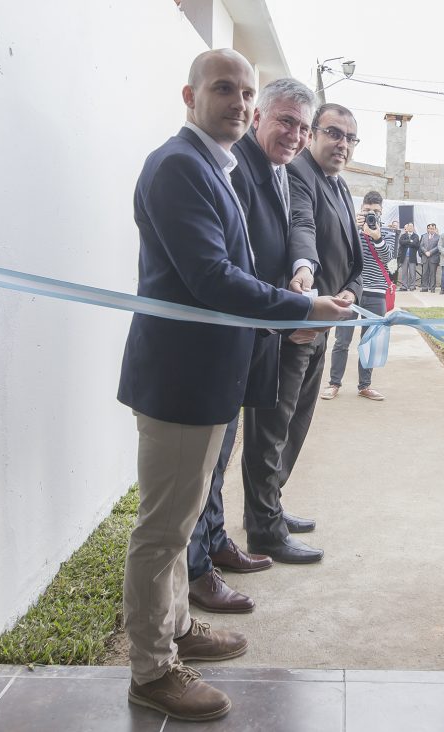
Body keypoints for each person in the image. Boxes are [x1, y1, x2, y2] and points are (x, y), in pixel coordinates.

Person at [117, 50, 351, 721]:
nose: (240, 103)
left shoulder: (210, 166)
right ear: (189, 93)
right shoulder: (178, 167)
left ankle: (178, 626)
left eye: (247, 92)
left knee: (184, 517)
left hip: (207, 374)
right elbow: (213, 280)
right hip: (181, 379)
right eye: (226, 89)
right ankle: (152, 670)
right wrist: (304, 307)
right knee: (163, 530)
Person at [186, 77, 320, 615]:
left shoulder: (283, 171)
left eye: (302, 127)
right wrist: (293, 310)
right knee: (206, 463)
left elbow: (294, 232)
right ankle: (197, 568)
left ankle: (216, 542)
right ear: (260, 116)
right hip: (228, 336)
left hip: (254, 331)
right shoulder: (230, 166)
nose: (294, 134)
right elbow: (223, 267)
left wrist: (302, 272)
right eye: (285, 121)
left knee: (224, 452)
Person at [241, 102, 363, 564]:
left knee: (296, 425)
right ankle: (263, 528)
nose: (342, 145)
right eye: (333, 133)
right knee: (270, 431)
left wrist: (351, 291)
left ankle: (269, 507)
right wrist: (306, 276)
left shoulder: (341, 185)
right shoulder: (298, 174)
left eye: (351, 138)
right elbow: (303, 231)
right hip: (295, 325)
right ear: (313, 136)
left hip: (324, 323)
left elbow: (353, 255)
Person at [320, 190, 396, 401]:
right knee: (342, 340)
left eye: (376, 211)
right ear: (361, 210)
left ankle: (365, 385)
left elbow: (390, 260)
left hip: (377, 294)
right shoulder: (350, 229)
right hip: (351, 292)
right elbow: (341, 254)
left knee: (370, 341)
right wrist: (353, 227)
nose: (372, 214)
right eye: (367, 210)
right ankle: (334, 383)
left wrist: (377, 236)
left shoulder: (388, 233)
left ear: (382, 212)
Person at [397, 223, 421, 291]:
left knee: (412, 272)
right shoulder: (403, 235)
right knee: (404, 272)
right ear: (407, 228)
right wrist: (410, 241)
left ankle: (412, 286)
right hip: (404, 257)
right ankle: (404, 286)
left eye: (411, 226)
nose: (410, 228)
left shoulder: (416, 236)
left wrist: (407, 243)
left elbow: (415, 244)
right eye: (409, 226)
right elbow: (401, 242)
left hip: (412, 257)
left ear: (413, 228)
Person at [419, 223, 441, 292]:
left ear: (435, 229)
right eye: (430, 228)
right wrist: (425, 252)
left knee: (432, 274)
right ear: (428, 229)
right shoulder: (424, 236)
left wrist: (430, 252)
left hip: (433, 258)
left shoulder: (438, 237)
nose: (431, 230)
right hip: (425, 257)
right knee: (425, 273)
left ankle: (432, 288)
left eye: (433, 229)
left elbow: (438, 247)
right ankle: (424, 287)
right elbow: (421, 245)